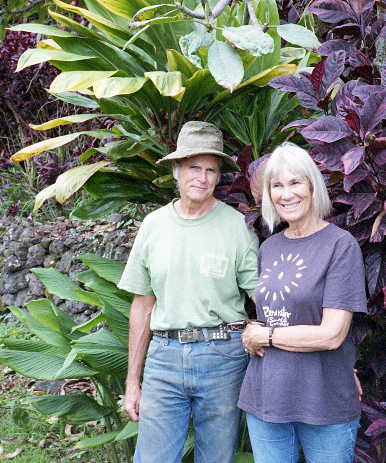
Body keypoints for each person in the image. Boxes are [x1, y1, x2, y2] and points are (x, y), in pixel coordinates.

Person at [117, 121, 259, 463]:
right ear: (177, 171)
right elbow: (142, 306)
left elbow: (264, 296)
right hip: (164, 358)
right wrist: (132, 382)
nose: (202, 177)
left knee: (216, 458)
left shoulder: (237, 226)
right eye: (194, 167)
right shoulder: (154, 225)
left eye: (211, 169)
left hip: (223, 357)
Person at [237, 142, 367, 463]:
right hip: (266, 395)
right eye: (277, 185)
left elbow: (332, 334)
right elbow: (272, 316)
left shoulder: (340, 246)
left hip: (323, 399)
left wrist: (264, 336)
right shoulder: (269, 248)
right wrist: (250, 331)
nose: (286, 193)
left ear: (312, 186)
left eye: (295, 182)